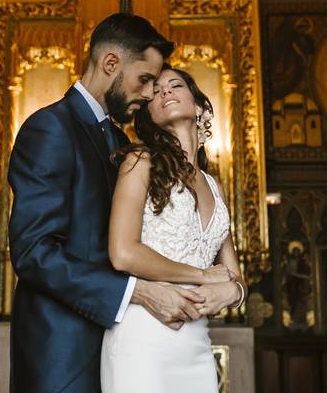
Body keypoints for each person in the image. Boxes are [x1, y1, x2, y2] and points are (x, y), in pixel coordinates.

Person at [8, 14, 216, 393]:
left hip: (130, 346)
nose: (151, 93)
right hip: (64, 353)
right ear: (110, 64)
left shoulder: (123, 143)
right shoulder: (51, 127)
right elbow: (34, 252)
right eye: (145, 80)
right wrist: (136, 292)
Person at [102, 66, 246, 392]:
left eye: (175, 85)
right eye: (156, 90)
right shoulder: (140, 162)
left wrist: (236, 293)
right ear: (149, 114)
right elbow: (123, 254)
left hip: (196, 344)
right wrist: (203, 276)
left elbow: (234, 274)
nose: (165, 91)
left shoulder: (214, 185)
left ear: (200, 107)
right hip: (143, 338)